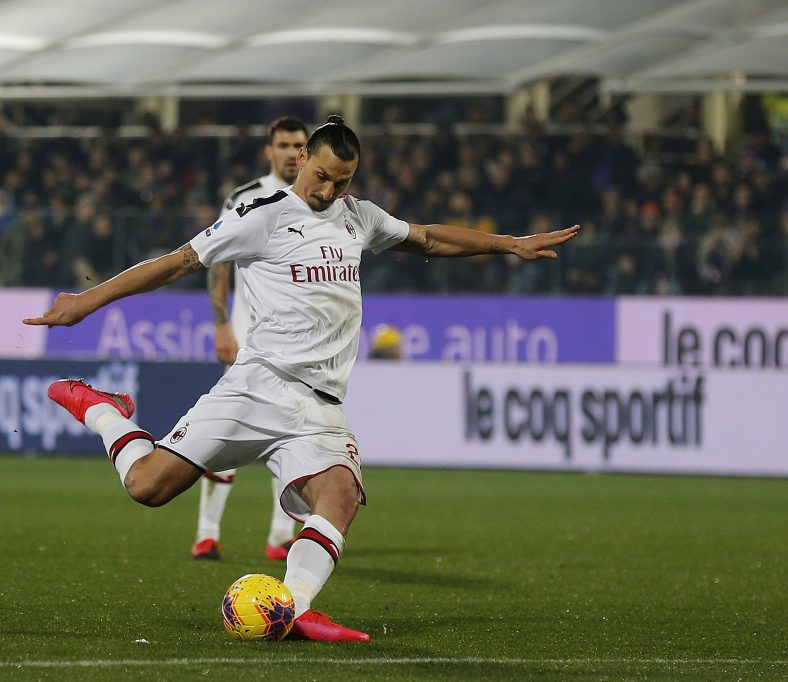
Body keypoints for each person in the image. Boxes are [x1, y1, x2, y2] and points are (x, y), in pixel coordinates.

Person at [24, 115, 578, 642]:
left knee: (339, 494)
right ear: (301, 161)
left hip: (319, 408)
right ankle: (103, 411)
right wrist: (87, 302)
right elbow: (177, 262)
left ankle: (293, 608)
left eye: (341, 182)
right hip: (256, 387)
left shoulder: (358, 216)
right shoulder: (262, 216)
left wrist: (509, 244)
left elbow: (429, 238)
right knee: (147, 487)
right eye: (320, 177)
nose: (327, 192)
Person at [193, 116, 308, 562]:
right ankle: (207, 533)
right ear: (269, 150)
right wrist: (222, 325)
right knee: (227, 436)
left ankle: (280, 536)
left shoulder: (320, 200)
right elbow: (218, 264)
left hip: (297, 345)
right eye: (283, 144)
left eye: (299, 144)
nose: (291, 152)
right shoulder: (245, 199)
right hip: (247, 339)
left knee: (294, 438)